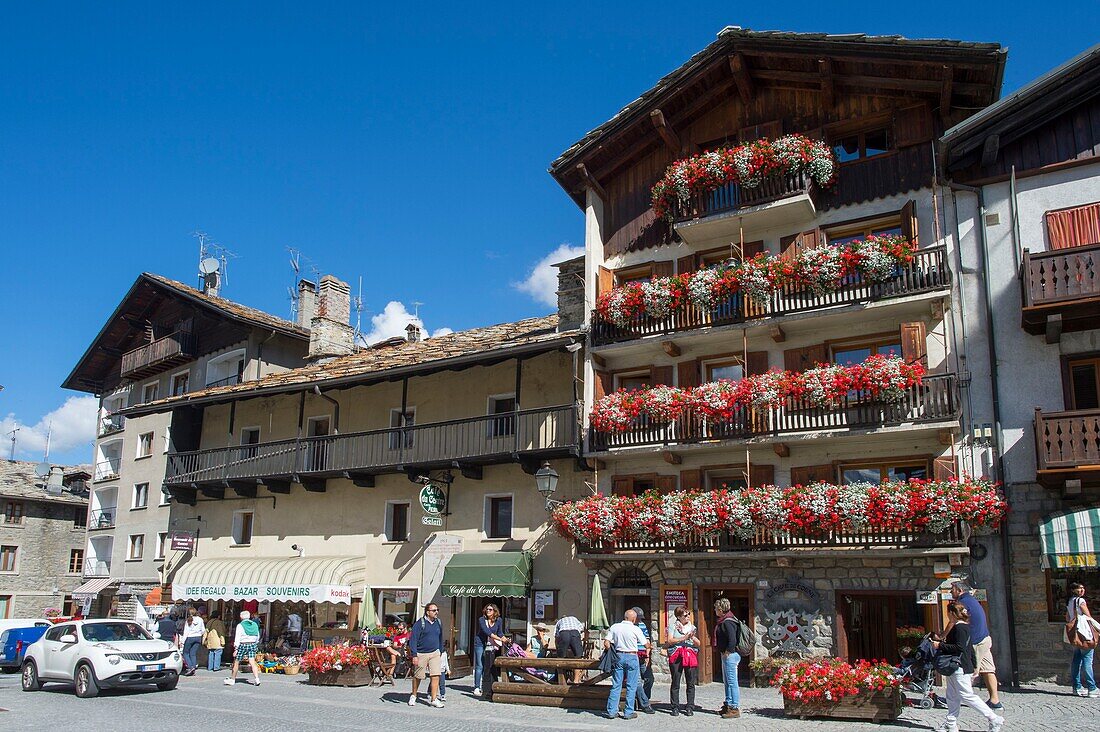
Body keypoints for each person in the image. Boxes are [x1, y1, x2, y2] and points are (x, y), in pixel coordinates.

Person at [932, 601, 1004, 732]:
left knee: (966, 695)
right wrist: (975, 666)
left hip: (960, 666)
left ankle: (994, 718)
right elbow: (969, 648)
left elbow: (960, 648)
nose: (947, 615)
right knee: (952, 696)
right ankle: (951, 723)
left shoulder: (960, 628)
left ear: (952, 613)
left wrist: (939, 645)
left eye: (948, 613)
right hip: (957, 667)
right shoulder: (965, 627)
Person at [950, 581, 1002, 711]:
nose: (951, 592)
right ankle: (995, 700)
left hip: (976, 642)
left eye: (953, 589)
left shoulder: (962, 603)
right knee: (988, 669)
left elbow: (953, 621)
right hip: (984, 638)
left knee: (970, 671)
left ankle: (968, 699)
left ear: (960, 590)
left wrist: (942, 636)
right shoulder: (971, 600)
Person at [604, 609, 654, 719]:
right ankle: (628, 712)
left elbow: (606, 643)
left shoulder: (615, 627)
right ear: (633, 618)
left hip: (618, 656)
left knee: (616, 684)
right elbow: (646, 645)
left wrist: (613, 651)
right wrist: (649, 646)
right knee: (631, 686)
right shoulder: (635, 628)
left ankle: (612, 711)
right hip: (632, 656)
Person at [1066, 582, 1100, 697]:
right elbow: (1088, 617)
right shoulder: (1080, 601)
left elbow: (1067, 617)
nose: (1082, 590)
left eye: (1083, 588)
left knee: (1076, 660)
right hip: (1084, 634)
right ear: (1074, 590)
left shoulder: (1069, 601)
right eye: (1080, 588)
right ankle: (1092, 687)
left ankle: (1077, 687)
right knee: (1087, 660)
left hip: (1076, 634)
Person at [408, 602, 445, 708]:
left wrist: (440, 650)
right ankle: (414, 695)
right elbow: (413, 639)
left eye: (437, 610)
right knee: (418, 676)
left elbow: (440, 636)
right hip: (421, 653)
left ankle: (434, 698)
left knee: (436, 675)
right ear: (428, 612)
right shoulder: (420, 623)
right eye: (434, 610)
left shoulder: (438, 622)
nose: (436, 612)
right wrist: (414, 654)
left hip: (435, 652)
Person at [666, 606, 699, 716]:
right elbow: (670, 640)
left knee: (690, 681)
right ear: (679, 617)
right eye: (685, 615)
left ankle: (690, 706)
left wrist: (693, 638)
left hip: (689, 654)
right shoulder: (673, 626)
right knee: (676, 681)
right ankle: (675, 706)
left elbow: (698, 643)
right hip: (677, 654)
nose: (688, 616)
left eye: (688, 614)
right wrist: (683, 638)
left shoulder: (692, 627)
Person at [714, 598, 742, 719]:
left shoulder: (728, 622)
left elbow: (732, 640)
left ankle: (734, 707)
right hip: (727, 654)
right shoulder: (725, 620)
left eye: (716, 608)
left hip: (730, 655)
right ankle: (728, 704)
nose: (714, 610)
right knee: (727, 682)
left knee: (732, 682)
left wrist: (727, 652)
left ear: (720, 610)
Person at [473, 603, 505, 698]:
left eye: (490, 610)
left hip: (490, 645)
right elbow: (487, 632)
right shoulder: (482, 619)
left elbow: (500, 632)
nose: (488, 611)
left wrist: (505, 638)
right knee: (479, 665)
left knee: (488, 665)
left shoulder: (499, 620)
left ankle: (486, 685)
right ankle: (477, 687)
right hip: (480, 643)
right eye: (487, 609)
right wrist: (500, 639)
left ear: (495, 611)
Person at [224, 610, 262, 687]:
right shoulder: (254, 624)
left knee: (237, 661)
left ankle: (232, 679)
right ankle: (257, 679)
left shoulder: (240, 625)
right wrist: (255, 642)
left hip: (242, 644)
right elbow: (257, 635)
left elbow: (237, 637)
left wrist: (236, 648)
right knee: (252, 661)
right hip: (252, 644)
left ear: (241, 617)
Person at [632, 607, 655, 702]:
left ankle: (645, 697)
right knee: (636, 680)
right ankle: (643, 701)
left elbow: (647, 640)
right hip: (633, 655)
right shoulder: (628, 627)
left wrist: (648, 655)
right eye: (638, 618)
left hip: (643, 655)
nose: (640, 620)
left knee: (649, 678)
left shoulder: (642, 625)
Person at [554, 614, 585, 684]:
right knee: (578, 658)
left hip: (564, 633)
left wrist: (558, 650)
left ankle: (562, 680)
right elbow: (582, 628)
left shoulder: (559, 622)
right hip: (575, 632)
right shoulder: (574, 618)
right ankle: (576, 680)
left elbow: (556, 637)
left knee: (561, 658)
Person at [180, 607, 205, 676]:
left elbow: (186, 632)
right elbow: (203, 630)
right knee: (193, 653)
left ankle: (190, 667)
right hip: (198, 637)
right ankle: (193, 667)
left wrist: (182, 641)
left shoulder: (188, 620)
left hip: (190, 637)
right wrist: (200, 634)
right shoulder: (200, 619)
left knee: (185, 653)